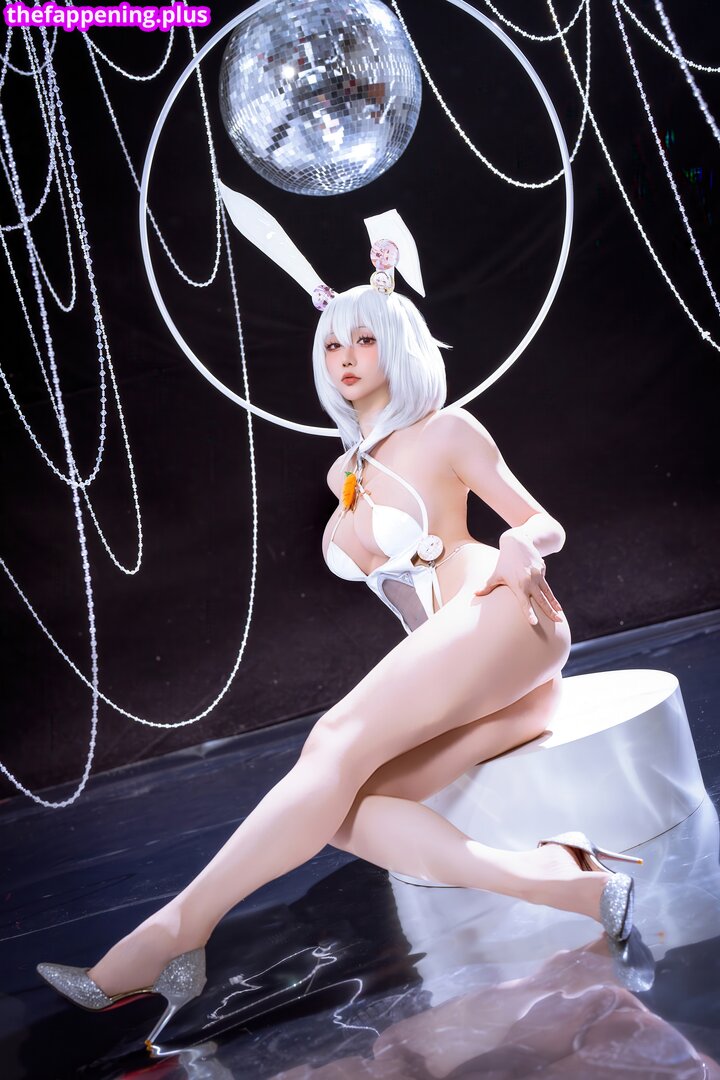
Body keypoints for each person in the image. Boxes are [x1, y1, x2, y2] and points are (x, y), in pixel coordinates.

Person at [36, 218, 642, 1052]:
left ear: (399, 345)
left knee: (330, 741)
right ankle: (566, 882)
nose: (345, 356)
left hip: (505, 615)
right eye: (331, 344)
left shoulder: (448, 430)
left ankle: (175, 934)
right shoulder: (343, 469)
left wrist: (516, 544)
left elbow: (546, 524)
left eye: (364, 339)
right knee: (344, 807)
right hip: (465, 670)